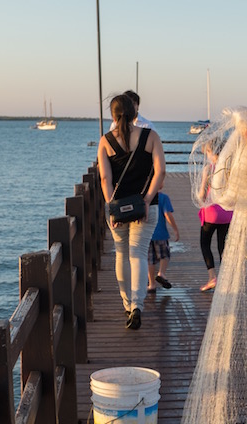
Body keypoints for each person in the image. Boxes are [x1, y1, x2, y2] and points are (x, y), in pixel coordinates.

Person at [97, 94, 166, 330]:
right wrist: (146, 200)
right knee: (137, 253)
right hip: (146, 208)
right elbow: (160, 172)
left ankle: (127, 306)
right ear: (134, 113)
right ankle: (137, 306)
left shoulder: (105, 142)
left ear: (113, 116)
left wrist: (112, 205)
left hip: (118, 209)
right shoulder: (151, 137)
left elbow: (105, 178)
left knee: (121, 254)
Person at [197, 139, 233, 292]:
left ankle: (212, 277)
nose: (207, 156)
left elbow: (201, 194)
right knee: (222, 246)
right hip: (227, 213)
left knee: (205, 243)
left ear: (212, 152)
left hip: (211, 213)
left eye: (207, 153)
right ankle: (226, 281)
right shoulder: (230, 168)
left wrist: (200, 200)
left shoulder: (209, 169)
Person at [147, 192, 179, 293]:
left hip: (147, 234)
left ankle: (152, 284)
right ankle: (161, 272)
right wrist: (175, 230)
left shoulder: (143, 197)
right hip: (161, 234)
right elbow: (167, 214)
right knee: (165, 255)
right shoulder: (163, 197)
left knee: (150, 260)